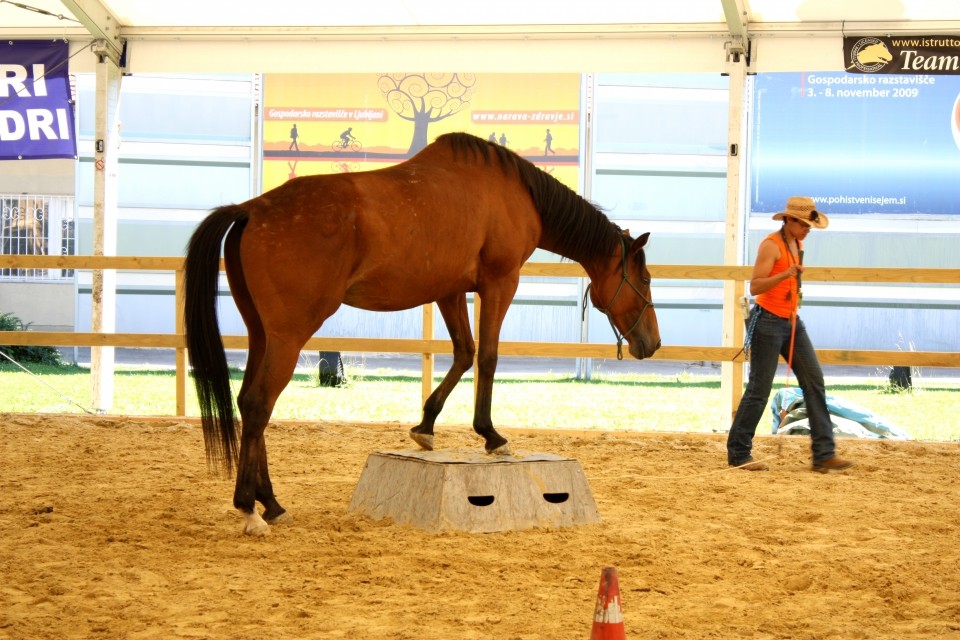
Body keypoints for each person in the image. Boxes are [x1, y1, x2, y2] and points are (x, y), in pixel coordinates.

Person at [727, 196, 854, 473]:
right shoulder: (771, 245)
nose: (808, 229)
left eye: (810, 225)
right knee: (759, 389)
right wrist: (785, 274)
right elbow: (756, 286)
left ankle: (823, 454)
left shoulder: (797, 244)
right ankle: (738, 452)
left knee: (814, 381)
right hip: (767, 322)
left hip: (790, 321)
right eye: (805, 225)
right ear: (790, 221)